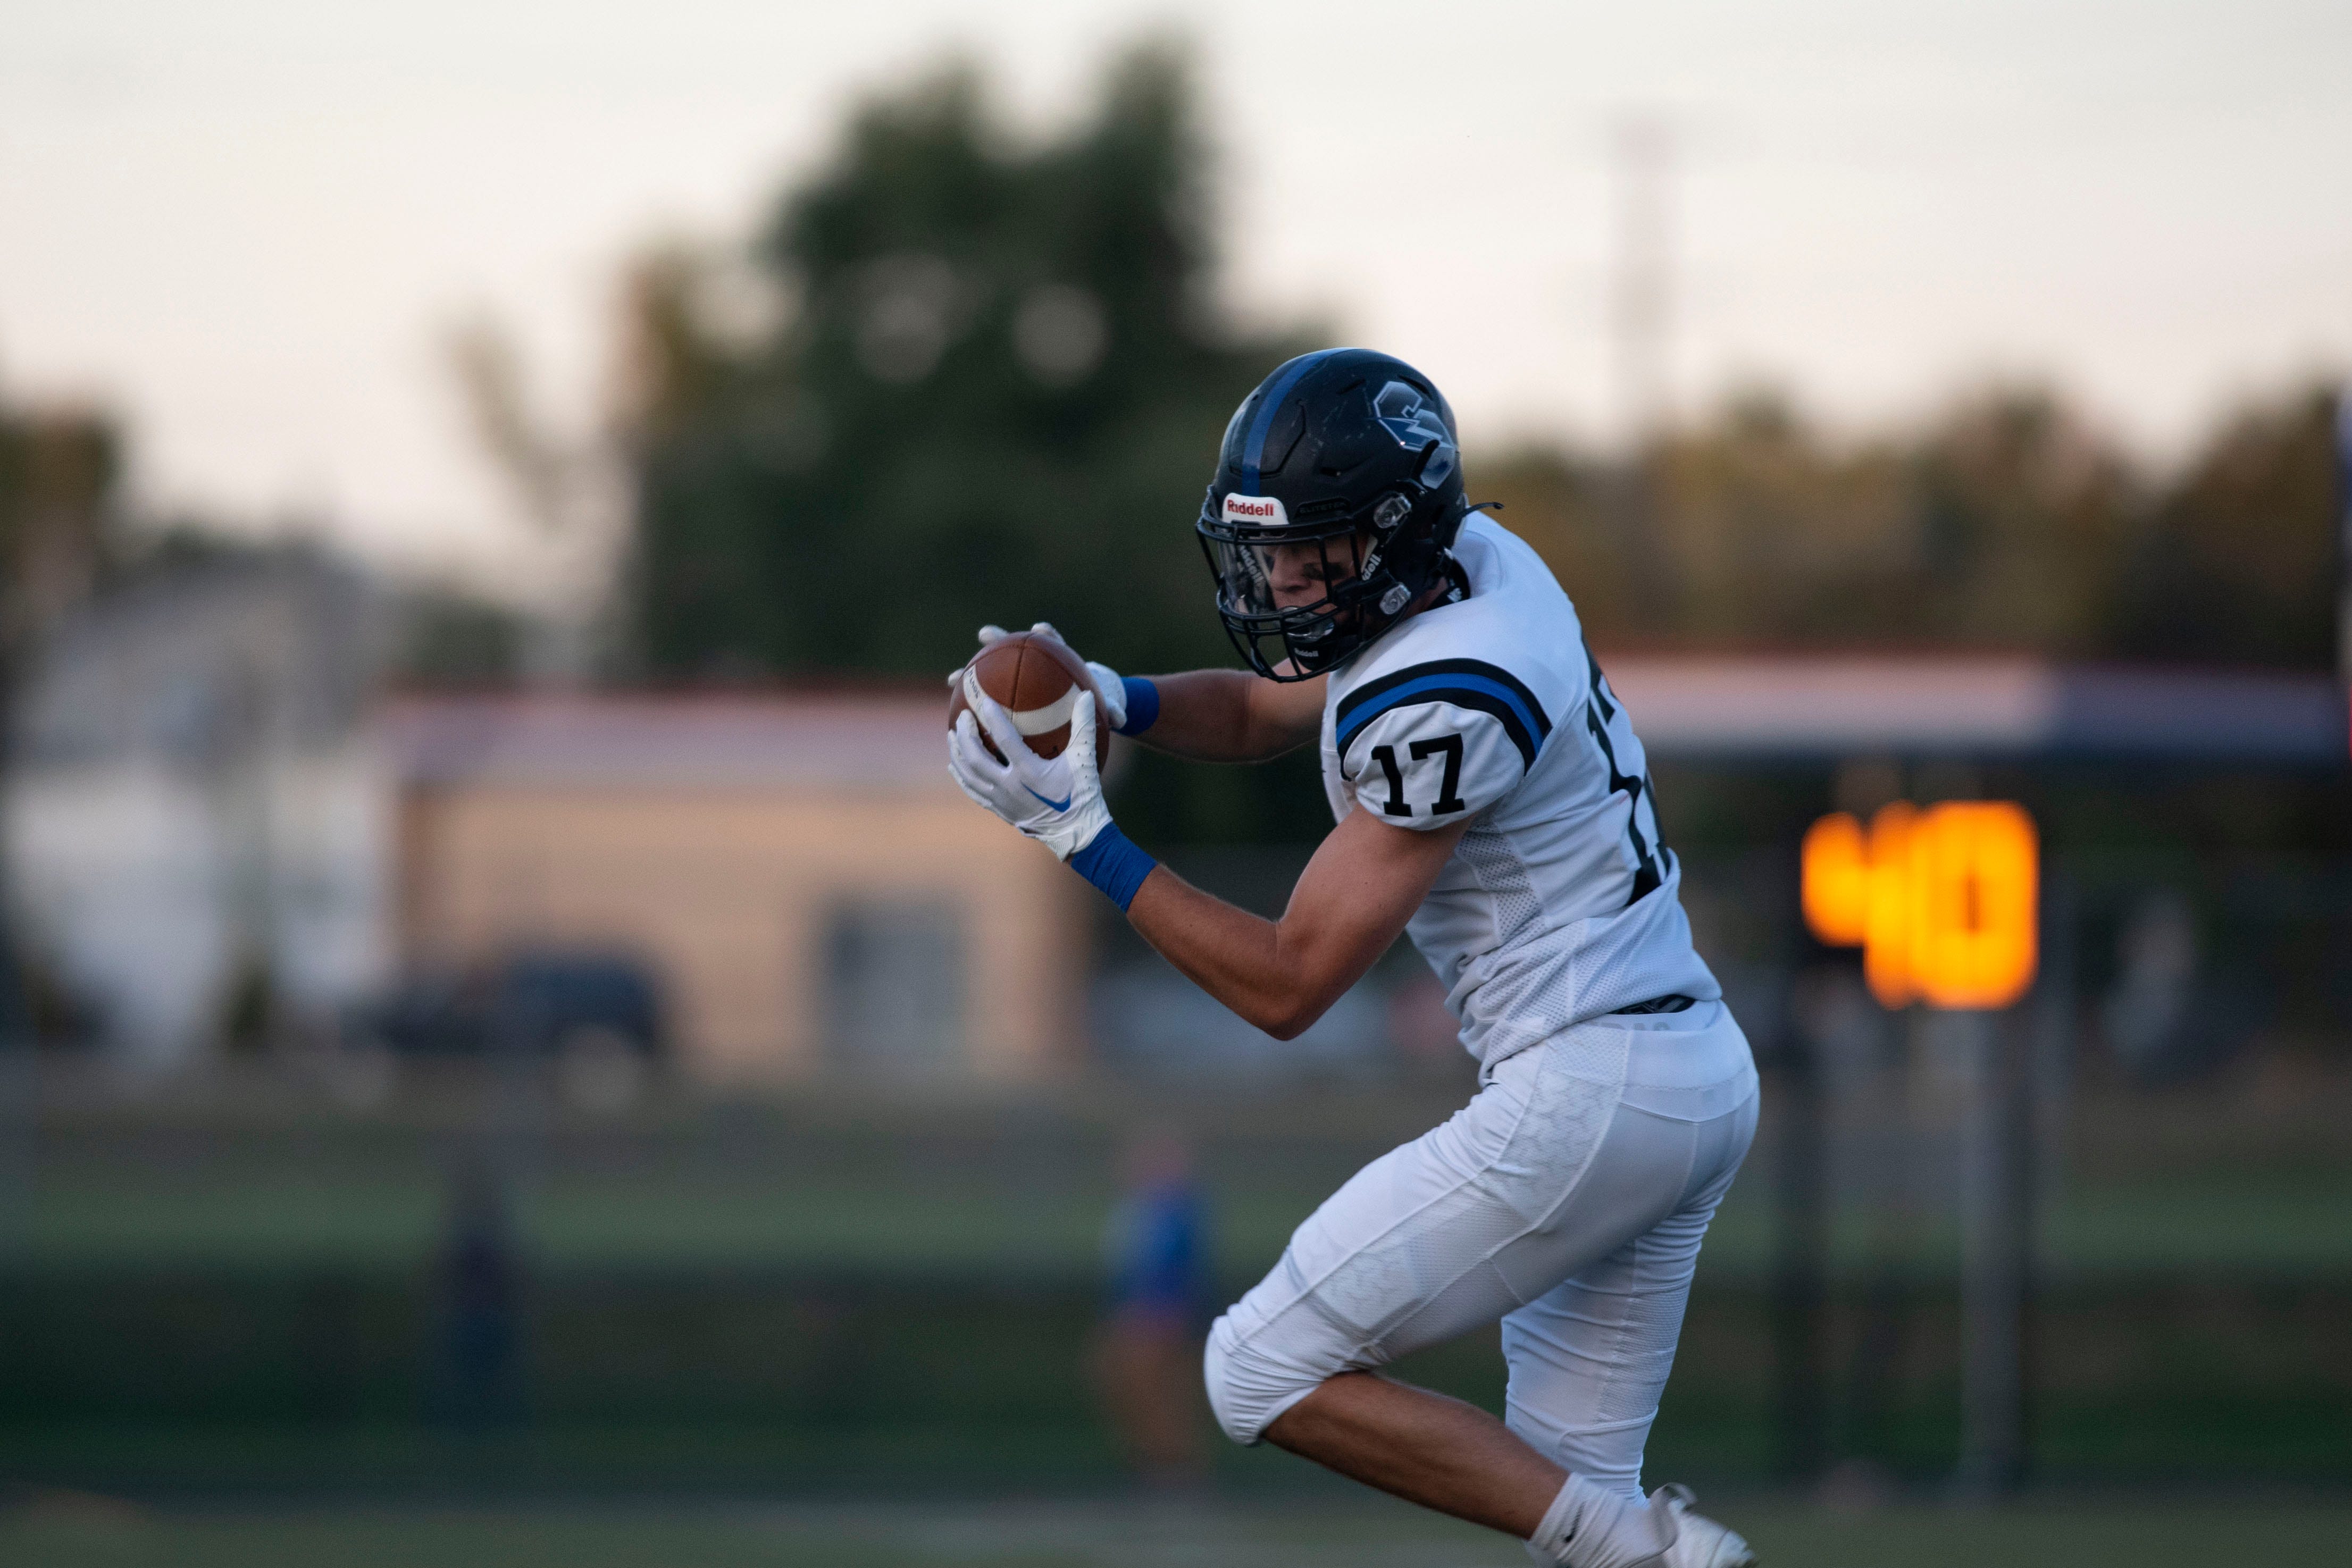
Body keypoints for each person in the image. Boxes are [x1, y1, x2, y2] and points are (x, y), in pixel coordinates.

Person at [948, 349, 1760, 1568]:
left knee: (1256, 1365)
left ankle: (1663, 1550)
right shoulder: (1469, 572)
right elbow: (1272, 709)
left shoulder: (1454, 688)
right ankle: (1634, 1546)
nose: (1276, 578)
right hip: (1679, 1067)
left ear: (1387, 533)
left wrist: (1083, 837)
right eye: (1262, 547)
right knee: (1562, 1500)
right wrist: (1111, 697)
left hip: (1591, 1087)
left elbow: (1289, 984)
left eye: (1304, 549)